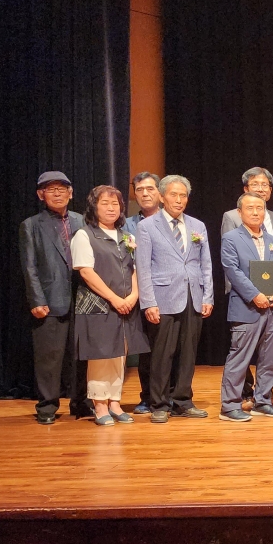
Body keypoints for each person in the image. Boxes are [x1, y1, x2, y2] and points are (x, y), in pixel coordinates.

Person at [135, 174, 214, 423]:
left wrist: (208, 296)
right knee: (162, 353)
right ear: (161, 197)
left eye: (183, 195)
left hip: (193, 296)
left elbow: (206, 264)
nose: (179, 200)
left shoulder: (197, 225)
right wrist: (149, 302)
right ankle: (159, 403)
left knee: (188, 353)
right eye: (173, 194)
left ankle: (182, 401)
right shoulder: (147, 226)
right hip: (163, 297)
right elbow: (143, 267)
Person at [71, 185, 150, 425]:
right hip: (99, 306)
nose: (111, 208)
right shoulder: (84, 235)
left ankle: (115, 401)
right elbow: (86, 272)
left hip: (126, 305)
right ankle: (100, 405)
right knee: (101, 356)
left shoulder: (127, 236)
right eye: (105, 203)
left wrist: (134, 295)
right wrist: (114, 299)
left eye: (115, 203)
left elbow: (135, 269)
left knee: (120, 354)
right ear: (93, 207)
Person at [19, 171, 88, 424]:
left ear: (71, 193)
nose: (57, 193)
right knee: (49, 357)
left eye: (62, 188)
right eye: (51, 189)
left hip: (83, 299)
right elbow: (29, 267)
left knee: (81, 355)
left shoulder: (83, 220)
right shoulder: (31, 225)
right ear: (41, 195)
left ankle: (81, 403)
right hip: (49, 300)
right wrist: (36, 300)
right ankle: (47, 406)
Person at [218, 193, 273, 422]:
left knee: (270, 359)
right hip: (246, 308)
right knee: (239, 358)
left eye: (260, 208)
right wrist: (254, 295)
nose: (256, 212)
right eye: (250, 208)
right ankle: (230, 406)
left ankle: (263, 401)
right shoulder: (231, 238)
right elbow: (232, 270)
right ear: (240, 212)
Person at [124, 171, 162, 414]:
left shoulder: (172, 220)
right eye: (139, 190)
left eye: (150, 189)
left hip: (171, 293)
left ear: (160, 192)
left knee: (171, 349)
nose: (145, 194)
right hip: (140, 294)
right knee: (147, 349)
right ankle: (147, 397)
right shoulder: (127, 225)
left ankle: (172, 395)